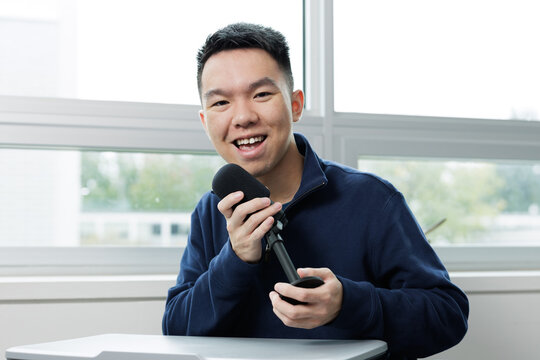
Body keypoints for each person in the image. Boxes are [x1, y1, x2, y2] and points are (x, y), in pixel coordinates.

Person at [162, 22, 468, 359]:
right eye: (221, 103)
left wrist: (349, 304)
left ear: (295, 104)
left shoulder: (371, 199)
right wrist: (234, 260)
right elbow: (176, 331)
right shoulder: (212, 211)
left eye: (262, 94)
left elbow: (447, 315)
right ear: (206, 122)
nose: (243, 117)